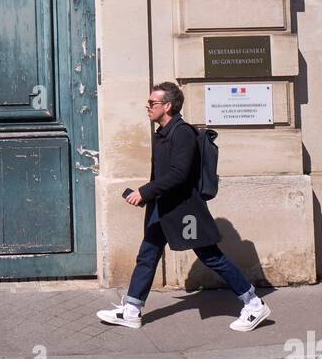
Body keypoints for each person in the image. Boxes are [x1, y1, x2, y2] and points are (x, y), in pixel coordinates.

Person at [97, 81, 271, 331]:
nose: (147, 107)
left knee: (211, 256)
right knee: (147, 254)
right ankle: (132, 310)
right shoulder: (162, 134)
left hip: (185, 211)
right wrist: (148, 196)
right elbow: (164, 176)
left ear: (167, 106)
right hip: (163, 208)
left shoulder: (183, 133)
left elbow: (179, 175)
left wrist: (144, 192)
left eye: (152, 103)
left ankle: (254, 304)